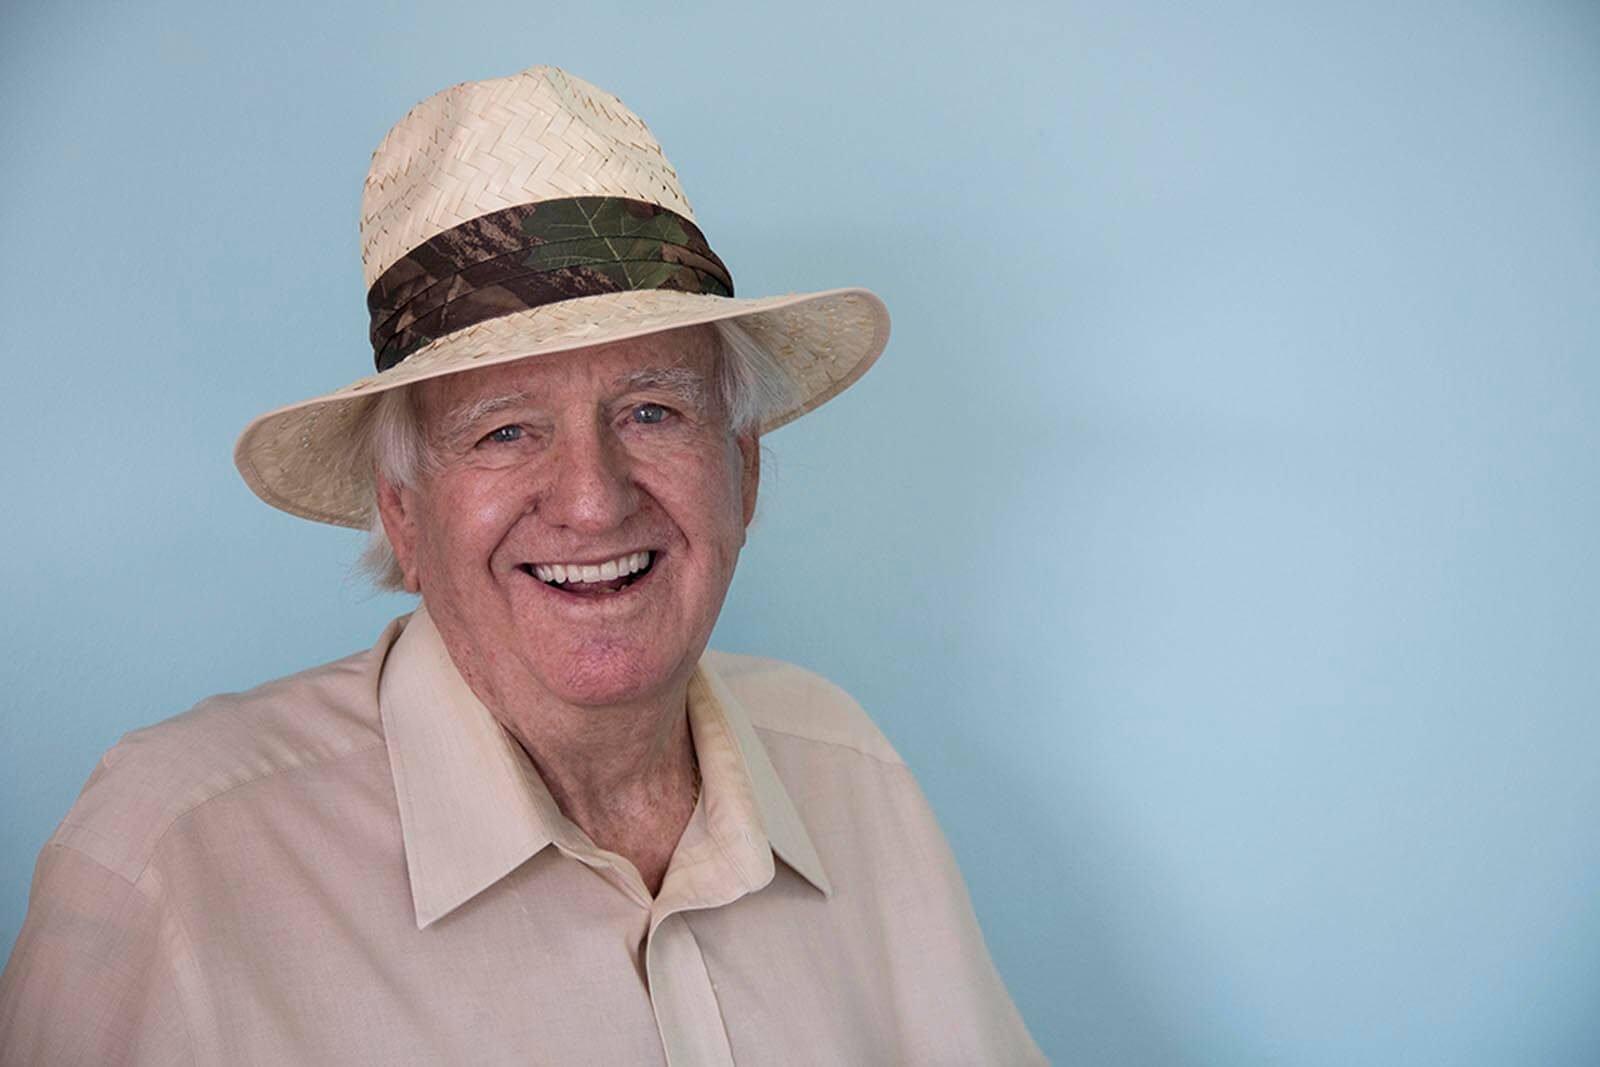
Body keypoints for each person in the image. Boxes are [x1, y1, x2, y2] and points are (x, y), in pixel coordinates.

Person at [0, 65, 1044, 1065]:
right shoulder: (179, 852)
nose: (592, 498)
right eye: (504, 431)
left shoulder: (845, 764)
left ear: (743, 472)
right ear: (404, 518)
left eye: (651, 410)